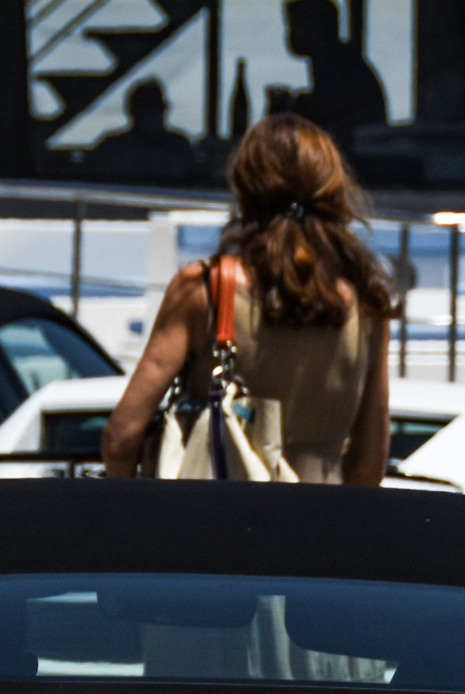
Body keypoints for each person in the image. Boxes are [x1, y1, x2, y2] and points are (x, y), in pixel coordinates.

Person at [102, 114, 393, 486]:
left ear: (244, 190)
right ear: (333, 192)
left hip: (216, 528)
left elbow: (121, 436)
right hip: (322, 530)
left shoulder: (205, 289)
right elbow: (369, 464)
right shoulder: (369, 303)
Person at [278, 0, 389, 141]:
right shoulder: (337, 58)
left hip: (363, 152)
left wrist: (295, 104)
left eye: (297, 24)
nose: (290, 34)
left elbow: (324, 111)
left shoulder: (336, 62)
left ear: (317, 26)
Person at [81, 80, 202, 185]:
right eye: (146, 107)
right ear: (132, 110)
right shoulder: (112, 149)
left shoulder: (179, 147)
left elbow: (195, 185)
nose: (152, 114)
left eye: (156, 106)